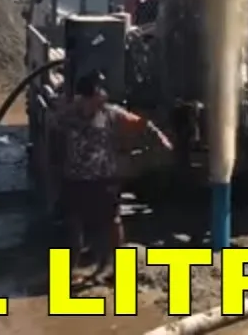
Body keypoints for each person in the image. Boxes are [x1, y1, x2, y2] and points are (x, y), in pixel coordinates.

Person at [58, 69, 173, 283]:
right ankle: (69, 269)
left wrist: (160, 137)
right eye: (100, 90)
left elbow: (141, 123)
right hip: (76, 179)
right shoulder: (67, 115)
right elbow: (54, 139)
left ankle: (113, 267)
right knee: (74, 225)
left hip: (104, 179)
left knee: (111, 222)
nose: (105, 93)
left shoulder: (111, 113)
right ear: (88, 95)